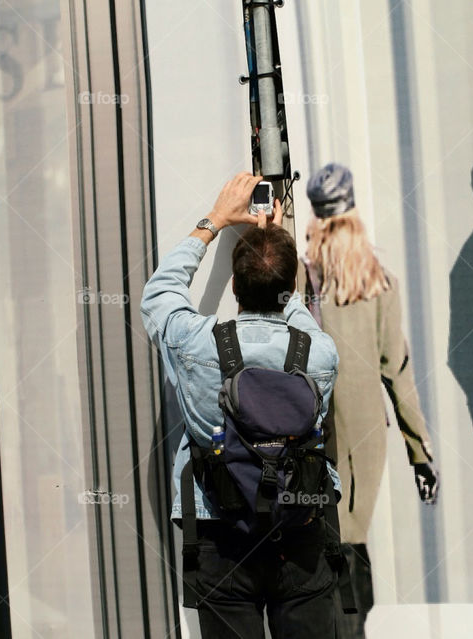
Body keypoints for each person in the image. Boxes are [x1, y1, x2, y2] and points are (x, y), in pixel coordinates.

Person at [140, 172, 343, 639]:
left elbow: (159, 294)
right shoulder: (319, 352)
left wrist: (212, 221)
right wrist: (271, 239)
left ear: (233, 286)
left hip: (221, 531)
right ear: (289, 286)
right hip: (300, 527)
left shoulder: (197, 343)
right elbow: (296, 317)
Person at [299, 163, 439, 639]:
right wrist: (421, 455)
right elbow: (397, 376)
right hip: (362, 444)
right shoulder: (380, 284)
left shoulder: (301, 282)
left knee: (325, 553)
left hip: (308, 439)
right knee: (352, 545)